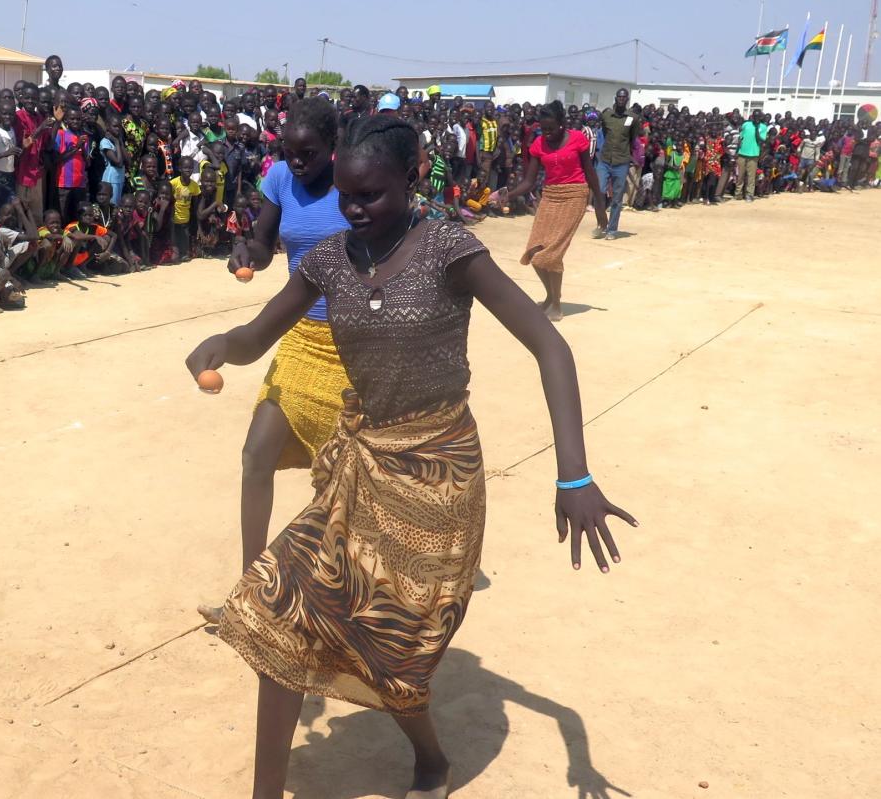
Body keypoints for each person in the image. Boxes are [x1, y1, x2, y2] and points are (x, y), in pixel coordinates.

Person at [185, 112, 636, 799]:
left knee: (393, 649)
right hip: (361, 462)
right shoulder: (329, 259)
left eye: (371, 195)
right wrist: (222, 344)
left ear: (412, 177)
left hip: (438, 477)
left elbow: (550, 345)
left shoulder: (450, 250)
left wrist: (574, 474)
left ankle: (430, 759)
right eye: (345, 196)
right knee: (279, 613)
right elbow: (256, 335)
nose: (355, 209)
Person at [196, 96, 352, 625]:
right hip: (299, 334)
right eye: (290, 151)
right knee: (256, 457)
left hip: (353, 344)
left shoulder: (353, 181)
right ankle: (251, 595)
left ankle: (335, 602)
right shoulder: (280, 178)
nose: (298, 162)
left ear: (334, 146)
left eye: (309, 153)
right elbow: (266, 245)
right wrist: (247, 251)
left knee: (342, 480)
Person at [490, 101, 608, 322]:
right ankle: (551, 296)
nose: (547, 133)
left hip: (574, 195)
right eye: (543, 129)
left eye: (551, 129)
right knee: (534, 252)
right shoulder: (538, 144)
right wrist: (507, 195)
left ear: (562, 123)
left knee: (551, 254)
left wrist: (600, 206)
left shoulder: (577, 139)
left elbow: (590, 172)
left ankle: (556, 304)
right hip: (550, 196)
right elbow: (529, 182)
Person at [594, 89, 640, 240]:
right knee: (599, 191)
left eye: (624, 97)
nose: (621, 99)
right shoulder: (606, 115)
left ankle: (612, 230)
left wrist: (625, 152)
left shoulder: (633, 118)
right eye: (619, 97)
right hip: (605, 159)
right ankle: (602, 223)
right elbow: (605, 133)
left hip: (621, 162)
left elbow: (632, 138)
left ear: (627, 99)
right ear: (615, 98)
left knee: (617, 198)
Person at [737, 110, 768, 202]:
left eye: (758, 117)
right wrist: (737, 151)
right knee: (740, 175)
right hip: (742, 153)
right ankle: (738, 193)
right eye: (755, 116)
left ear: (761, 117)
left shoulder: (763, 127)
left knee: (751, 176)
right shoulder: (746, 124)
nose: (756, 118)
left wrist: (757, 129)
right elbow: (740, 138)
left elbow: (760, 140)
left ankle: (749, 194)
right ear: (753, 117)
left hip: (753, 154)